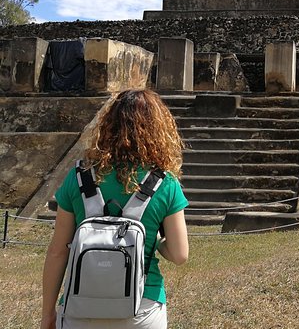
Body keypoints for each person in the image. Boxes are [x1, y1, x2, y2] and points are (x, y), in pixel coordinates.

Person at [41, 89, 190, 329]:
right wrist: (157, 240)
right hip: (142, 308)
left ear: (107, 125)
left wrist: (48, 312)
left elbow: (58, 252)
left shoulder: (78, 178)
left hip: (81, 305)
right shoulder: (166, 184)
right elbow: (180, 255)